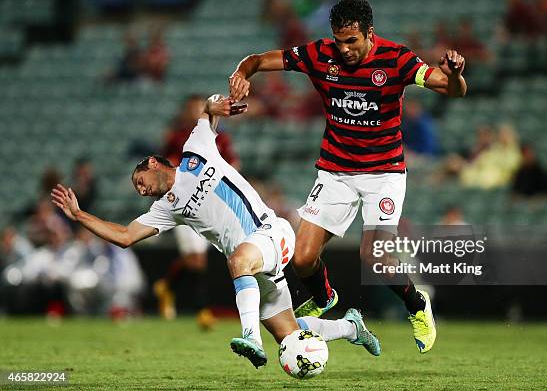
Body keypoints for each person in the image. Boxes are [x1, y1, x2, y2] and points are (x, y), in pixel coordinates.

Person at [50, 94, 380, 368]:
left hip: (269, 232)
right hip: (254, 262)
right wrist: (79, 215)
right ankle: (351, 327)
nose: (140, 190)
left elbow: (207, 112)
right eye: (137, 189)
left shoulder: (196, 152)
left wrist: (216, 105)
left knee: (237, 261)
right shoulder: (167, 208)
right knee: (290, 335)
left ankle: (251, 339)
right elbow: (124, 236)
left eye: (140, 182)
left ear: (153, 163)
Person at [229, 0, 467, 354]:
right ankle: (325, 297)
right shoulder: (319, 54)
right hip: (335, 170)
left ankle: (417, 305)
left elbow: (452, 90)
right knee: (303, 258)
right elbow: (259, 60)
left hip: (383, 173)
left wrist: (455, 75)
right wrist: (242, 73)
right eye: (339, 40)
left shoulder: (397, 59)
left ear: (369, 34)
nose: (344, 49)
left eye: (352, 41)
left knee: (374, 258)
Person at [155, 94, 241, 328]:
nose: (195, 112)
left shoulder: (220, 139)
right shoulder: (177, 138)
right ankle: (202, 310)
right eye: (192, 108)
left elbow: (234, 164)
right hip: (184, 202)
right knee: (197, 258)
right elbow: (166, 168)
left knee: (192, 258)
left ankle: (167, 286)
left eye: (198, 107)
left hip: (209, 203)